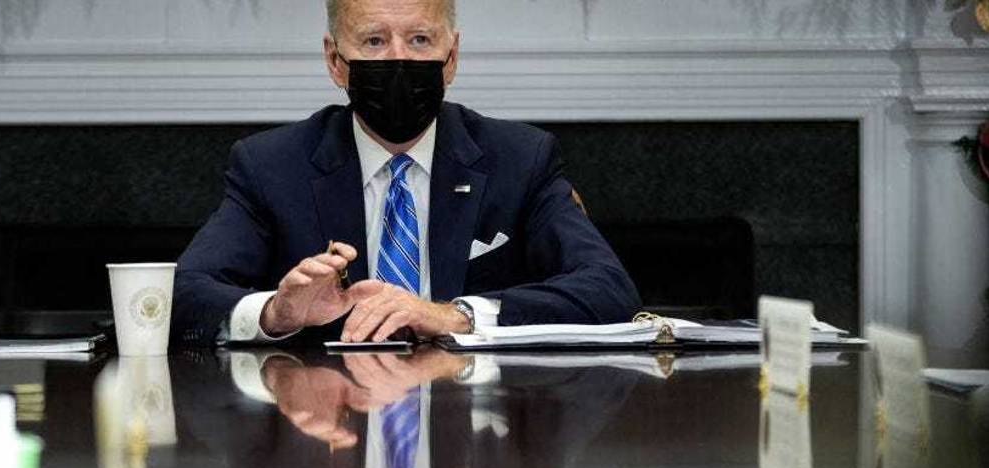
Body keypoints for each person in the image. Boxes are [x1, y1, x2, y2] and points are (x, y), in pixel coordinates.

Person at [172, 0, 640, 346]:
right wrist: (276, 312)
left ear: (450, 57)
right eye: (374, 41)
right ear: (336, 61)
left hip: (478, 436)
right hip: (328, 437)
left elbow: (609, 290)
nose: (400, 60)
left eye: (420, 40)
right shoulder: (271, 166)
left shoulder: (519, 159)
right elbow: (182, 296)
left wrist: (456, 316)